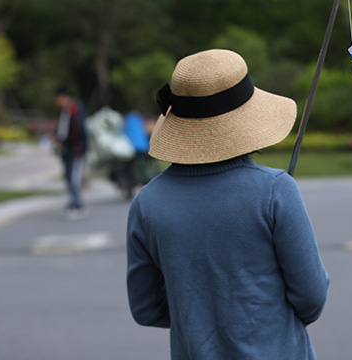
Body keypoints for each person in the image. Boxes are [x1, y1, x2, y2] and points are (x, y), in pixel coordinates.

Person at [126, 49, 329, 359]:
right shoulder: (275, 190)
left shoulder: (147, 203)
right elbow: (311, 296)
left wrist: (200, 316)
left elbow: (146, 308)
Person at [54, 85, 88, 218]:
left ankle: (77, 203)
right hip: (68, 149)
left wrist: (64, 140)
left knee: (74, 176)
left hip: (75, 149)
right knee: (69, 175)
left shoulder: (74, 108)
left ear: (63, 96)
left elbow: (76, 130)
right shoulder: (68, 110)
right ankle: (74, 201)